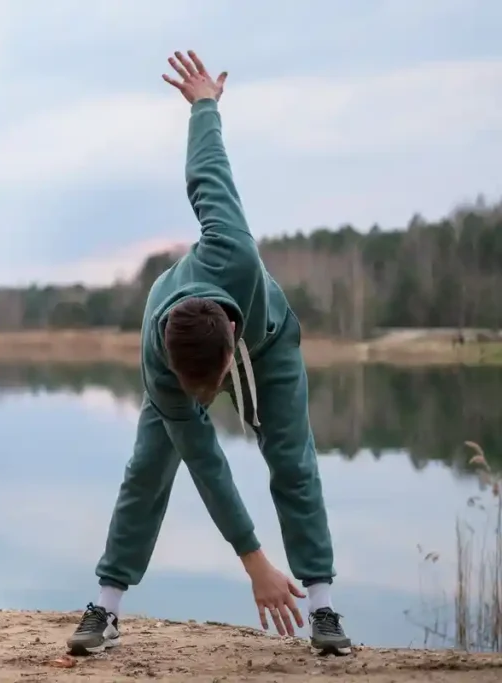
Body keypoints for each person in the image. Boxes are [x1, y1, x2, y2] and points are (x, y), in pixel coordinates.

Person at [65, 51, 352, 657]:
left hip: (270, 343)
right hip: (191, 352)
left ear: (226, 352)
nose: (205, 401)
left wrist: (204, 106)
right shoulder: (158, 359)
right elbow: (207, 465)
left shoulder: (234, 251)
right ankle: (105, 606)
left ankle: (323, 606)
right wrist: (253, 561)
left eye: (210, 387)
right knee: (148, 468)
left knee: (292, 459)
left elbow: (208, 174)